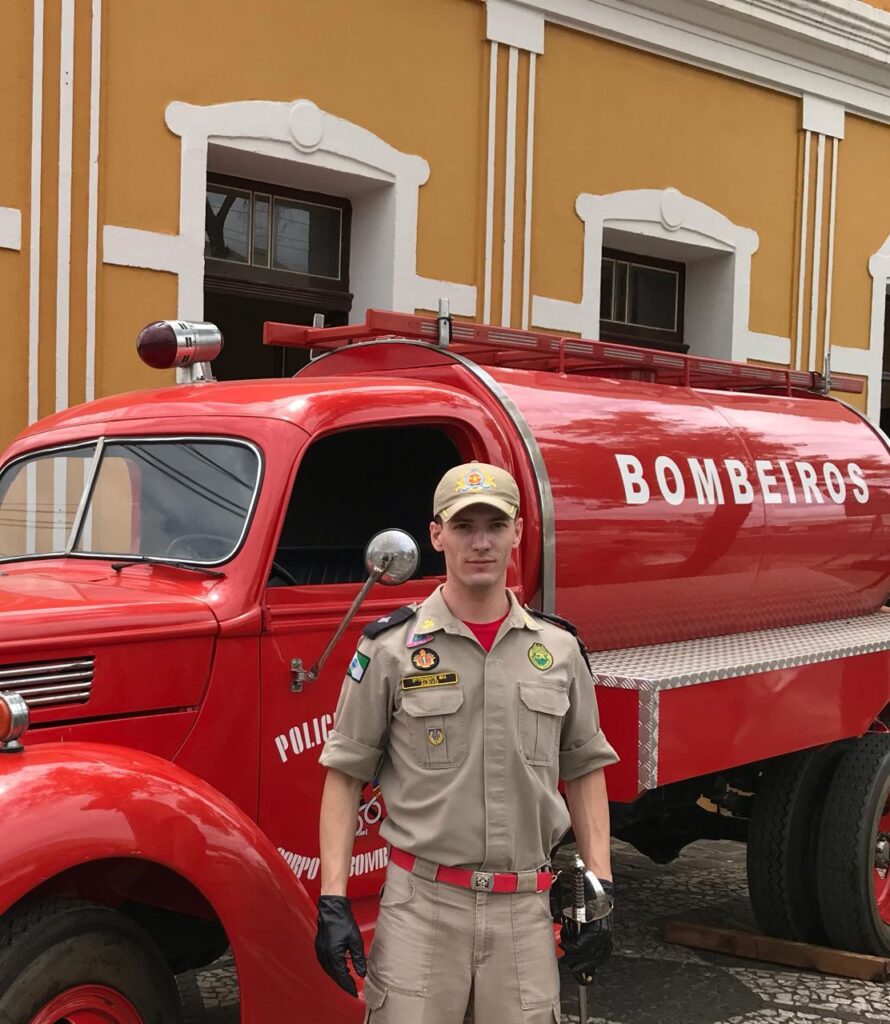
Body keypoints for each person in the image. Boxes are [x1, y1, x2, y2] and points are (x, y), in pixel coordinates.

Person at [315, 462, 619, 1023]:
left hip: (523, 909)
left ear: (518, 532)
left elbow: (583, 768)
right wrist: (333, 898)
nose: (480, 542)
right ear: (437, 535)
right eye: (463, 526)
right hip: (421, 908)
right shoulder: (390, 650)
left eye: (494, 525)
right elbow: (344, 773)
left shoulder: (558, 650)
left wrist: (597, 890)